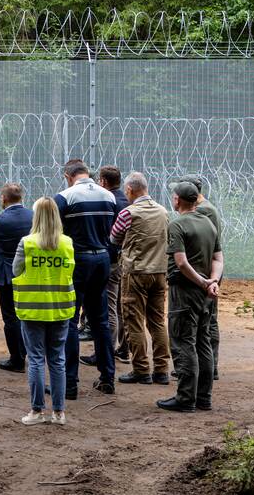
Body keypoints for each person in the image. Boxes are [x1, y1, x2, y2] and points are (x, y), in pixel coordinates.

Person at [54, 158, 118, 398]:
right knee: (100, 321)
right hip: (102, 258)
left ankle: (69, 384)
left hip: (77, 259)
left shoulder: (65, 197)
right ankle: (107, 378)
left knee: (70, 321)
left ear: (68, 176)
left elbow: (56, 231)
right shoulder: (108, 196)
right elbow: (115, 231)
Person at [158, 181, 223, 413]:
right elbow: (218, 258)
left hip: (185, 291)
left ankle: (185, 398)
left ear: (177, 200)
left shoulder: (177, 225)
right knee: (202, 340)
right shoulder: (209, 222)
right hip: (205, 292)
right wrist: (212, 281)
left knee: (183, 341)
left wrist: (202, 282)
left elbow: (181, 263)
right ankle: (203, 397)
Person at [12, 197, 75, 426]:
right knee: (57, 359)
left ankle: (37, 411)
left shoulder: (27, 243)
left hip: (32, 308)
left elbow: (16, 270)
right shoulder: (67, 243)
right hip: (60, 307)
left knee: (36, 359)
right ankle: (59, 413)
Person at [110, 172, 171, 385]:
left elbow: (114, 237)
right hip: (159, 272)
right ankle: (162, 370)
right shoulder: (163, 212)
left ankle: (141, 370)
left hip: (135, 273)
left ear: (129, 190)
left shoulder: (128, 213)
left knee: (133, 322)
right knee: (157, 322)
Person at [172, 174, 222, 380]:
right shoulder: (206, 212)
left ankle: (198, 378)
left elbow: (183, 260)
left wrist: (207, 281)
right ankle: (204, 380)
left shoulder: (203, 213)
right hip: (206, 275)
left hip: (197, 277)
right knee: (202, 329)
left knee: (195, 332)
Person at [0, 182, 34, 372]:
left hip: (6, 273)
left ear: (4, 198)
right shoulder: (33, 216)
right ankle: (30, 353)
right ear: (22, 197)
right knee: (27, 313)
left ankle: (17, 359)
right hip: (28, 272)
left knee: (10, 316)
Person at [99, 166, 131, 361]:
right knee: (122, 305)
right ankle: (124, 348)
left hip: (111, 258)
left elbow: (111, 234)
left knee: (109, 305)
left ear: (103, 181)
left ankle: (108, 350)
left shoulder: (108, 201)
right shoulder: (127, 201)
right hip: (126, 259)